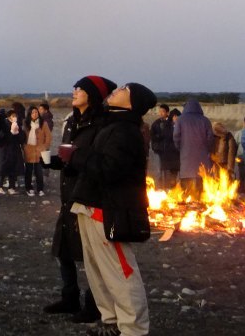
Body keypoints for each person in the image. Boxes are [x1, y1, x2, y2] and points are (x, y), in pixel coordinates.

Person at [70, 82, 157, 336]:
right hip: (89, 206)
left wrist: (77, 156)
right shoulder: (110, 124)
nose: (115, 91)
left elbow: (110, 170)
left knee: (121, 274)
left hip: (108, 212)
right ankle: (111, 323)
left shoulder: (126, 131)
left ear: (131, 103)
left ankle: (133, 329)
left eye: (122, 90)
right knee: (98, 273)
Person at [46, 76, 116, 324]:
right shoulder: (72, 122)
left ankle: (94, 305)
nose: (74, 92)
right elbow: (68, 154)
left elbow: (98, 162)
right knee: (63, 249)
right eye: (74, 87)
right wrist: (54, 161)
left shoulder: (102, 124)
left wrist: (75, 160)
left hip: (88, 196)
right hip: (68, 194)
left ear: (93, 95)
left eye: (80, 89)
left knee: (91, 255)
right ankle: (70, 297)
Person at [172, 99, 214, 200]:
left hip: (186, 158)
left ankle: (188, 210)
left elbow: (176, 137)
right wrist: (206, 149)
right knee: (201, 189)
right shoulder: (205, 120)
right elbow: (210, 138)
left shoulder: (180, 120)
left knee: (187, 190)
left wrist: (181, 148)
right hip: (202, 158)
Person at [22, 105, 51, 196]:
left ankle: (40, 189)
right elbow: (22, 137)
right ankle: (28, 188)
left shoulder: (43, 123)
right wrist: (24, 147)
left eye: (36, 112)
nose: (34, 114)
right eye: (32, 112)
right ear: (29, 114)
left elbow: (48, 136)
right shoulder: (25, 123)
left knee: (39, 171)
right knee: (28, 171)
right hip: (29, 150)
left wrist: (44, 146)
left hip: (39, 150)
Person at [0, 104, 25, 194]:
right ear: (9, 117)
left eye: (16, 116)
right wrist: (10, 132)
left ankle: (11, 187)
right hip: (5, 150)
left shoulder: (17, 125)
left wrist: (17, 133)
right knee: (3, 168)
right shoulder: (3, 125)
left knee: (13, 168)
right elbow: (1, 137)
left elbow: (22, 139)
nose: (15, 118)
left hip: (15, 150)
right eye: (13, 116)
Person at [150, 104, 179, 189]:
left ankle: (171, 189)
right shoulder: (156, 123)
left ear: (167, 112)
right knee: (160, 171)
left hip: (171, 151)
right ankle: (161, 188)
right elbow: (152, 136)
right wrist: (156, 145)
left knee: (171, 171)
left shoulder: (171, 123)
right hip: (160, 151)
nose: (161, 113)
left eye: (162, 111)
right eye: (160, 111)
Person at [233, 116, 245, 185]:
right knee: (242, 173)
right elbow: (234, 145)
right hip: (241, 156)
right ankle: (242, 188)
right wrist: (234, 156)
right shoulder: (239, 133)